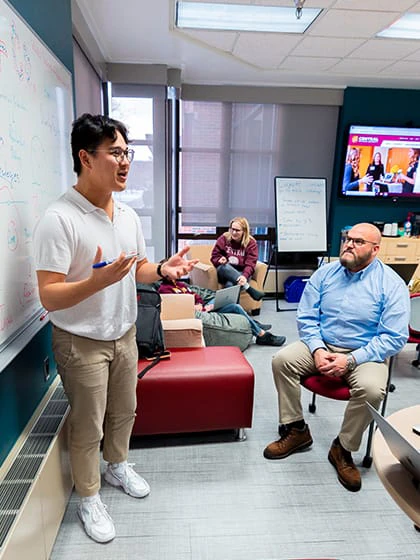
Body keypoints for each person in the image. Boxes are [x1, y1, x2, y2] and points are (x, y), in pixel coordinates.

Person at [33, 113, 197, 544]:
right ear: (86, 158)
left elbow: (136, 268)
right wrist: (95, 282)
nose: (125, 162)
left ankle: (117, 465)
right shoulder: (60, 218)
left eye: (128, 153)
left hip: (123, 333)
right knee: (88, 424)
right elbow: (49, 295)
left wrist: (162, 268)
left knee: (124, 412)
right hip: (80, 340)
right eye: (116, 153)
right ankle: (89, 496)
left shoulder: (126, 214)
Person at [263, 223, 410, 493]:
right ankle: (296, 430)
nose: (349, 244)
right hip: (323, 343)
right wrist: (318, 349)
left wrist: (351, 360)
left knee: (372, 389)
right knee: (281, 360)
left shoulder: (391, 284)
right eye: (347, 239)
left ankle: (342, 448)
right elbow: (307, 317)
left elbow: (394, 337)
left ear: (375, 250)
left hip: (366, 352)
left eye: (358, 241)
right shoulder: (325, 273)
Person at [158, 277, 286, 346]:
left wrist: (201, 305)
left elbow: (197, 297)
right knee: (231, 304)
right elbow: (176, 307)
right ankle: (261, 334)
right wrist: (198, 308)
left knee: (234, 306)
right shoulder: (165, 289)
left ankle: (254, 325)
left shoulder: (181, 285)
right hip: (197, 314)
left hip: (203, 308)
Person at [210, 217, 264, 301]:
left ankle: (232, 312)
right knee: (225, 267)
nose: (234, 232)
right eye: (232, 229)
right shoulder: (224, 238)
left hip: (242, 273)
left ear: (244, 231)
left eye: (237, 230)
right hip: (223, 271)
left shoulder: (251, 243)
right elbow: (214, 256)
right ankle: (248, 288)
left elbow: (250, 264)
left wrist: (244, 276)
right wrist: (219, 259)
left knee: (231, 285)